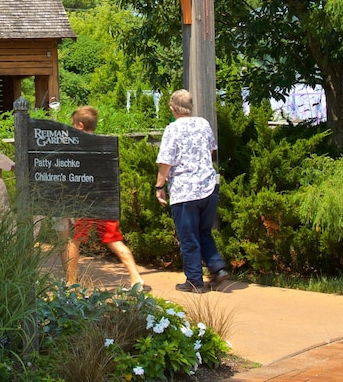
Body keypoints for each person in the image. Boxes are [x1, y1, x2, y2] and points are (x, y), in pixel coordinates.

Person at [58, 106, 151, 292]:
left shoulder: (76, 148)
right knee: (113, 239)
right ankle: (136, 277)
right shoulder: (104, 146)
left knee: (73, 240)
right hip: (105, 198)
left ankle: (71, 282)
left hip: (84, 201)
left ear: (80, 125)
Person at [154, 89, 228, 293]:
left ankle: (195, 281)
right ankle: (218, 268)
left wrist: (159, 186)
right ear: (190, 107)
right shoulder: (203, 124)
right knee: (204, 232)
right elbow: (212, 150)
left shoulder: (172, 129)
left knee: (188, 237)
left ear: (172, 108)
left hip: (185, 191)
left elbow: (166, 162)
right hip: (208, 187)